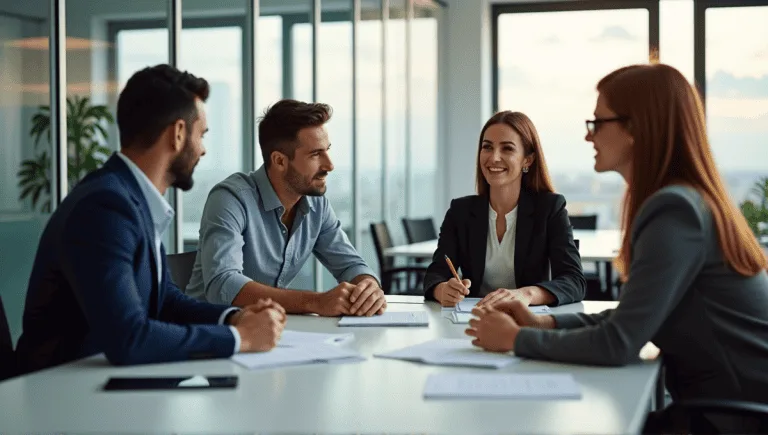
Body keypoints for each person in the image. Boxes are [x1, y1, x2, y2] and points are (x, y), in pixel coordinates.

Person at [467, 64, 768, 431]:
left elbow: (618, 342)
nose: (588, 137)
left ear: (635, 128)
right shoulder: (686, 201)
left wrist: (516, 338)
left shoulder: (675, 211)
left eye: (597, 123)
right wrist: (542, 323)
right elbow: (629, 317)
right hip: (728, 406)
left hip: (734, 418)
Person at [14, 65, 286, 375]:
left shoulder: (131, 199)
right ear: (178, 133)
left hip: (106, 388)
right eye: (202, 134)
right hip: (59, 398)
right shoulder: (105, 207)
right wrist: (240, 338)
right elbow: (128, 338)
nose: (203, 149)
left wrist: (235, 317)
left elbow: (166, 301)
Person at [185, 99, 386, 317]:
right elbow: (223, 284)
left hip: (269, 333)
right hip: (211, 334)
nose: (329, 165)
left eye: (327, 150)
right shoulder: (231, 199)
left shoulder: (316, 204)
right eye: (315, 154)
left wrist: (368, 286)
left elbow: (350, 265)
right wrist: (316, 301)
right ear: (280, 161)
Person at [423, 111, 586, 308]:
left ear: (528, 160)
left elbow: (574, 281)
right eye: (487, 147)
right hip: (471, 321)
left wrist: (527, 294)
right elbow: (435, 274)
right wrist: (442, 290)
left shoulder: (550, 208)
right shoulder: (461, 211)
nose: (494, 157)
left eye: (507, 149)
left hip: (528, 323)